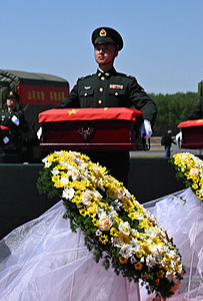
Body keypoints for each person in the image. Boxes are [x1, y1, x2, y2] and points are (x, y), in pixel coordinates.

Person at [55, 27, 156, 184]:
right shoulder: (83, 83)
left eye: (106, 48)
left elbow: (148, 104)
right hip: (86, 155)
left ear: (116, 53)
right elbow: (64, 107)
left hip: (116, 156)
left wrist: (146, 121)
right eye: (98, 48)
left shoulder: (126, 83)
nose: (101, 52)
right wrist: (47, 123)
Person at [0, 90, 32, 161]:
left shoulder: (19, 114)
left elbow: (26, 129)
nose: (10, 101)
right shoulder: (2, 114)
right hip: (4, 143)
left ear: (16, 102)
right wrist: (2, 137)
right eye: (8, 99)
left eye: (12, 99)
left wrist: (19, 123)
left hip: (15, 144)